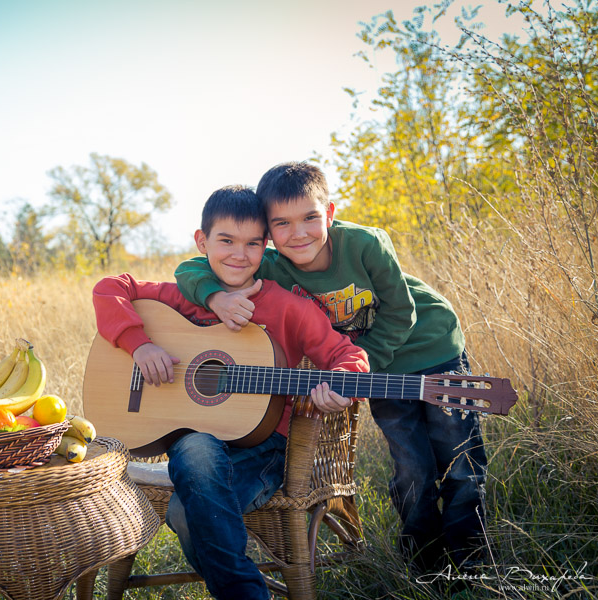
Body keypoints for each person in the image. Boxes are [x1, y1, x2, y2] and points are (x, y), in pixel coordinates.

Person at [174, 162, 488, 573]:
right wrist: (215, 296)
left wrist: (355, 371)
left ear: (330, 213)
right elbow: (191, 269)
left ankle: (471, 564)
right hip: (381, 371)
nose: (298, 233)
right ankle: (426, 567)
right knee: (413, 466)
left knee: (459, 460)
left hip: (430, 347)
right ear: (268, 233)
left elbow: (400, 312)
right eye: (281, 224)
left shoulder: (365, 244)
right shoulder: (269, 263)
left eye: (310, 218)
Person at [93, 185, 369, 600]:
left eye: (252, 244)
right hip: (197, 447)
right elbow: (111, 285)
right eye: (226, 241)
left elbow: (346, 353)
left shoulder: (287, 307)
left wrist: (343, 385)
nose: (239, 255)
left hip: (262, 451)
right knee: (196, 446)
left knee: (187, 514)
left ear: (266, 247)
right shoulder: (187, 298)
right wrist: (140, 344)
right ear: (202, 242)